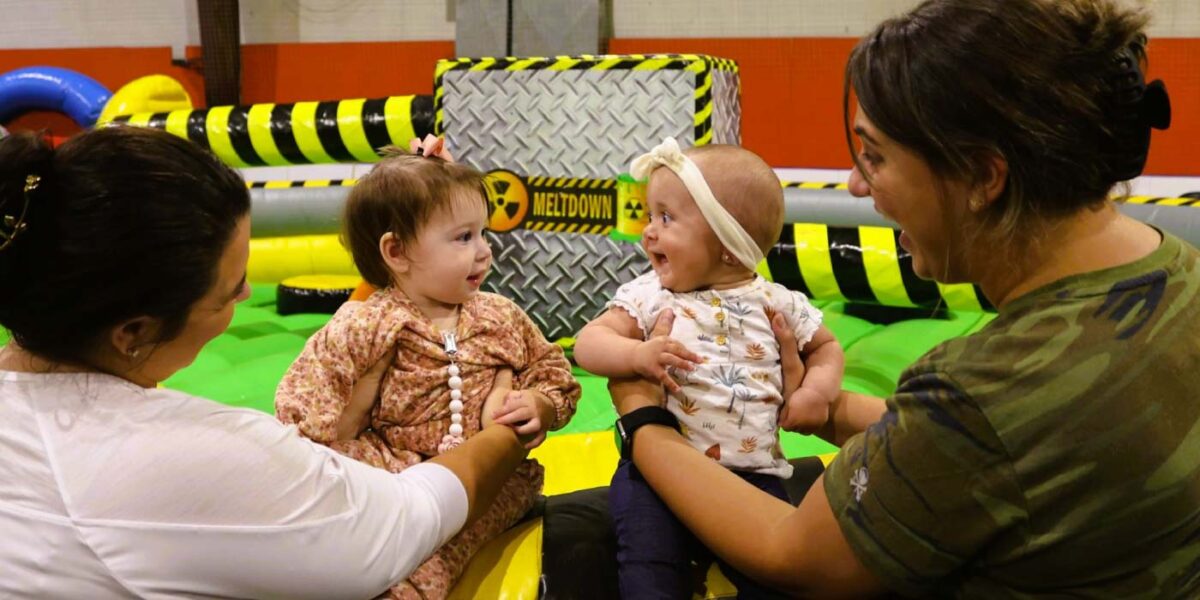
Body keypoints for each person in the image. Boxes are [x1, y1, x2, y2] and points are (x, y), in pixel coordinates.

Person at [607, 0, 1199, 597]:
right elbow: (1007, 445)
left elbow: (792, 553)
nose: (856, 185)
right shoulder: (1181, 271)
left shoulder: (985, 387)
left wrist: (645, 419)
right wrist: (826, 406)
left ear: (981, 176)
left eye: (876, 156)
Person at [0, 126, 538, 598]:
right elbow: (400, 523)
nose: (248, 293)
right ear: (134, 332)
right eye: (230, 291)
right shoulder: (195, 455)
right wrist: (504, 429)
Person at [274, 142, 581, 599]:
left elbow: (552, 369)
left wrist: (540, 404)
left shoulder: (498, 315)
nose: (484, 252)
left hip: (487, 482)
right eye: (463, 237)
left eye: (483, 234)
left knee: (429, 558)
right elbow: (307, 394)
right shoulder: (367, 323)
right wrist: (327, 439)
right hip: (389, 465)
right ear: (396, 252)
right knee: (339, 533)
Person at [575, 140, 843, 597]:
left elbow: (827, 348)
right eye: (650, 217)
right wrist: (636, 355)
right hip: (656, 480)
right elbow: (588, 343)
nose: (648, 233)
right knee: (649, 569)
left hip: (754, 476)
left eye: (665, 218)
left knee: (776, 579)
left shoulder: (776, 301)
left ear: (728, 246)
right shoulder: (652, 294)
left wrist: (816, 392)